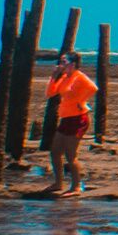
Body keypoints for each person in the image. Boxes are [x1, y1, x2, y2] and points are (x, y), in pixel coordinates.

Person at [44, 51, 99, 194]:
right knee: (55, 152)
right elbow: (50, 93)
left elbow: (93, 88)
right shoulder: (63, 77)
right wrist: (54, 77)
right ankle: (58, 183)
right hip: (66, 118)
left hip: (78, 119)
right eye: (60, 62)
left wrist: (80, 101)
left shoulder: (78, 76)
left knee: (70, 155)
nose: (61, 64)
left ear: (72, 64)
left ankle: (76, 186)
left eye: (64, 62)